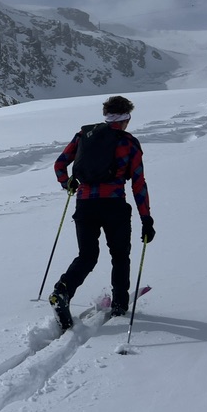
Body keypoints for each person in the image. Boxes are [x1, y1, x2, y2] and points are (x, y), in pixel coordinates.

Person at [48, 95, 155, 329]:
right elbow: (138, 183)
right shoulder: (129, 143)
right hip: (115, 205)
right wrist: (146, 218)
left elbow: (59, 164)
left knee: (87, 256)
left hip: (85, 205)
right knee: (119, 255)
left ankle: (62, 291)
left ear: (106, 115)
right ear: (126, 117)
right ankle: (119, 303)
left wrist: (67, 184)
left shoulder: (83, 136)